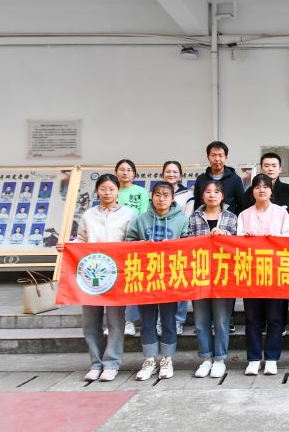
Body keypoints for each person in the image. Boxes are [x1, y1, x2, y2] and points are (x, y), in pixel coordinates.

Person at [56, 174, 135, 382]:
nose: (107, 193)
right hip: (91, 274)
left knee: (116, 321)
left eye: (111, 189)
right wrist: (69, 246)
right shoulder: (89, 215)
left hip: (116, 274)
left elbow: (132, 241)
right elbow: (81, 239)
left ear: (118, 191)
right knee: (91, 322)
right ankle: (96, 363)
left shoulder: (128, 214)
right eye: (103, 189)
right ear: (97, 191)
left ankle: (111, 363)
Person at [126, 182, 189, 381]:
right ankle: (149, 360)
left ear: (172, 198)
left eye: (166, 195)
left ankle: (167, 359)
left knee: (169, 321)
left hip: (170, 278)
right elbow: (128, 243)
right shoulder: (141, 220)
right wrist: (142, 245)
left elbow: (189, 246)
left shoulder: (181, 220)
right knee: (147, 322)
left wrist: (174, 247)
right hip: (146, 278)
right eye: (158, 195)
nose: (162, 199)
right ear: (151, 197)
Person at [237, 174, 289, 376]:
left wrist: (274, 239)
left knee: (275, 318)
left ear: (271, 191)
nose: (261, 190)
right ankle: (254, 359)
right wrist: (245, 239)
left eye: (265, 187)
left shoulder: (281, 213)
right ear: (252, 191)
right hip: (251, 274)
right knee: (252, 319)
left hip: (276, 274)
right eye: (257, 187)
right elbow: (236, 243)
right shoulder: (244, 215)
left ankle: (271, 358)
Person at [189, 179, 238, 379]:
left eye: (216, 192)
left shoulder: (231, 217)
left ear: (222, 195)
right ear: (202, 196)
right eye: (208, 192)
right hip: (200, 274)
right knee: (201, 321)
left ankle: (220, 359)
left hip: (223, 276)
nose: (212, 195)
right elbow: (186, 242)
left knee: (221, 320)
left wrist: (223, 235)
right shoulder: (194, 217)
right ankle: (206, 358)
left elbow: (239, 244)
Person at [116, 159, 150, 337]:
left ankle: (129, 321)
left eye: (129, 170)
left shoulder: (141, 192)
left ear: (134, 173)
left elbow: (143, 215)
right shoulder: (112, 190)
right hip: (115, 242)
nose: (125, 173)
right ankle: (116, 322)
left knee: (132, 280)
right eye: (121, 169)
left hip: (135, 240)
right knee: (117, 282)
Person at [162, 160, 193, 335]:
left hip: (180, 243)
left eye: (175, 172)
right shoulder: (157, 192)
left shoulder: (187, 194)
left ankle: (178, 320)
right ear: (162, 174)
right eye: (168, 171)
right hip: (160, 245)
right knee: (161, 283)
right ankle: (161, 321)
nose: (171, 174)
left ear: (180, 175)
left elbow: (187, 218)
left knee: (180, 282)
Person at [193, 141, 246, 216]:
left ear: (226, 158)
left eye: (220, 155)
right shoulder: (201, 179)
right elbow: (197, 204)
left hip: (228, 221)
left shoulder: (235, 179)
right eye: (213, 155)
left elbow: (242, 205)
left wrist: (233, 219)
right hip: (204, 220)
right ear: (208, 157)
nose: (217, 159)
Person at [242, 152, 289, 218]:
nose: (270, 169)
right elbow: (243, 213)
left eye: (274, 166)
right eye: (266, 166)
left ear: (280, 169)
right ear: (261, 169)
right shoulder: (252, 191)